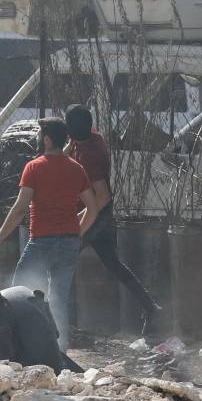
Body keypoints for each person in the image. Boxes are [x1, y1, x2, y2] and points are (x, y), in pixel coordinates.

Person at [0, 117, 98, 352]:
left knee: (17, 293)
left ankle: (17, 345)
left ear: (46, 139)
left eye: (39, 135)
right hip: (68, 243)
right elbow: (93, 207)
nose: (38, 138)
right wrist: (77, 232)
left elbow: (19, 209)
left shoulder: (34, 167)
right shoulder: (76, 169)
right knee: (59, 299)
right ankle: (59, 350)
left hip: (41, 241)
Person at [64, 105, 163, 335]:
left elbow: (102, 195)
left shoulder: (89, 156)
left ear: (72, 130)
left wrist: (80, 223)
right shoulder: (92, 138)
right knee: (113, 264)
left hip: (96, 213)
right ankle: (151, 308)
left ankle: (63, 322)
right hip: (102, 213)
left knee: (63, 258)